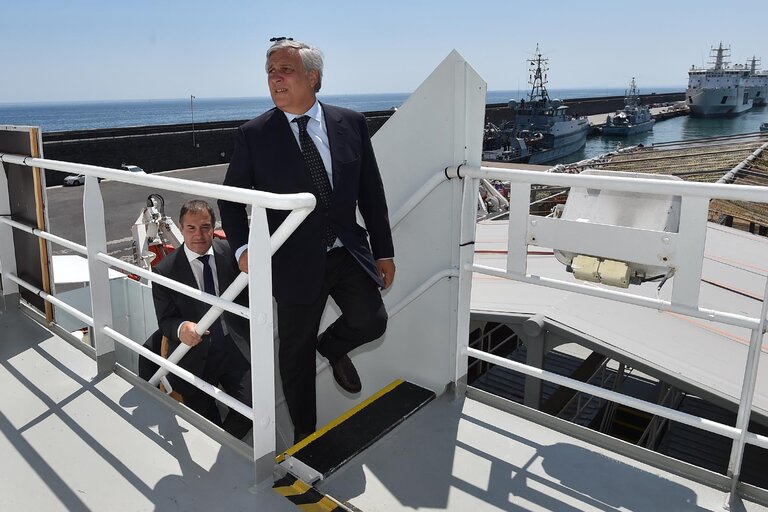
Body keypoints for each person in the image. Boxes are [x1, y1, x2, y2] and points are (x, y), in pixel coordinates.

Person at [218, 38, 395, 444]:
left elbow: (372, 191)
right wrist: (245, 249)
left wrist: (383, 250)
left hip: (347, 250)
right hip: (292, 261)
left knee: (372, 321)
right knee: (294, 354)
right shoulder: (254, 134)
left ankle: (332, 346)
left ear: (313, 77)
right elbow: (231, 199)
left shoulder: (351, 123)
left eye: (285, 70)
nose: (275, 78)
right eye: (270, 72)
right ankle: (304, 434)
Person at [151, 199, 252, 439]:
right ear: (181, 227)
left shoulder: (230, 254)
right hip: (193, 356)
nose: (199, 235)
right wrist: (182, 328)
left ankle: (224, 448)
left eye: (206, 227)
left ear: (214, 227)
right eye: (191, 228)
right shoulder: (164, 271)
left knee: (249, 411)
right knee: (205, 422)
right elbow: (165, 320)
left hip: (233, 348)